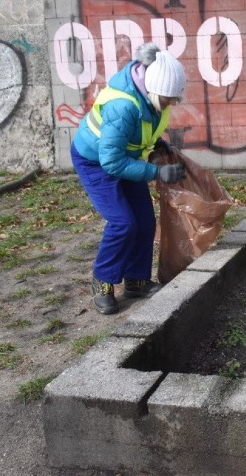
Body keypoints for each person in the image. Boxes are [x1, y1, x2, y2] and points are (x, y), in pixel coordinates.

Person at [70, 42, 186, 315]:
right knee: (124, 222)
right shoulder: (123, 107)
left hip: (126, 158)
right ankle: (103, 281)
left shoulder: (156, 96)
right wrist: (157, 172)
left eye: (175, 98)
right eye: (169, 98)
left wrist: (157, 144)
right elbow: (110, 161)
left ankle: (136, 281)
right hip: (96, 161)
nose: (173, 103)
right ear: (153, 88)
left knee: (145, 220)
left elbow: (147, 127)